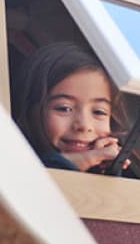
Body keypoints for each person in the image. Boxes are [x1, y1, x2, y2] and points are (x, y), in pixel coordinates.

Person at [13, 42, 130, 173]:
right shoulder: (11, 164)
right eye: (64, 109)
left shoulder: (102, 166)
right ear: (30, 110)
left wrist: (110, 171)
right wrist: (77, 162)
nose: (84, 126)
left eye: (99, 112)